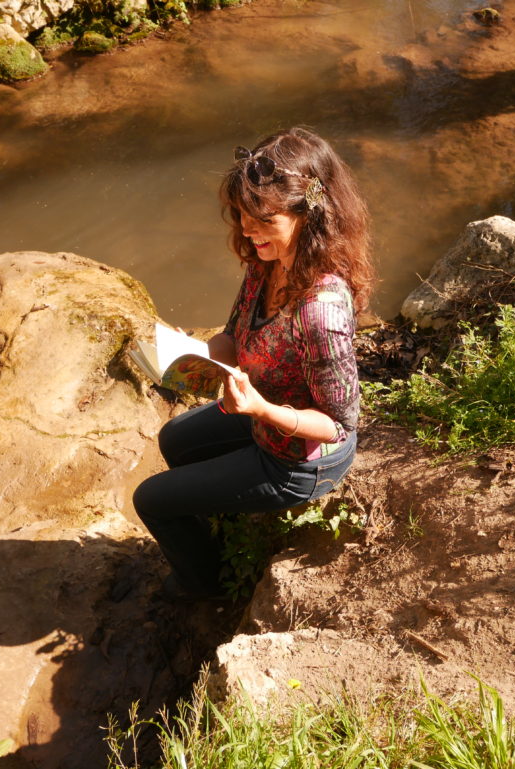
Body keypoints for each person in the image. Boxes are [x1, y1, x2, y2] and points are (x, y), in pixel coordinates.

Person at [132, 126, 373, 600]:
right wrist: (193, 353)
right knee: (173, 439)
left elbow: (338, 426)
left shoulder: (320, 312)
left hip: (299, 459)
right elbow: (233, 337)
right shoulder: (266, 263)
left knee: (150, 500)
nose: (246, 230)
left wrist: (260, 411)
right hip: (262, 413)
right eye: (242, 215)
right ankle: (217, 525)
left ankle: (206, 589)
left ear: (309, 214)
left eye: (263, 220)